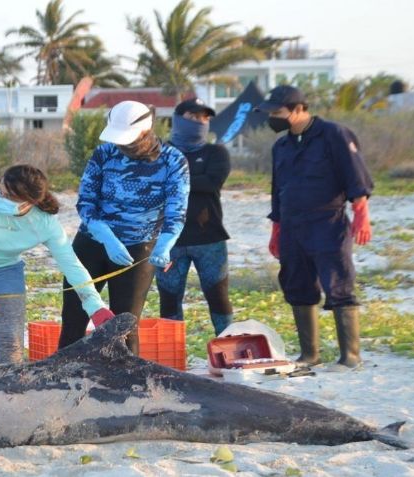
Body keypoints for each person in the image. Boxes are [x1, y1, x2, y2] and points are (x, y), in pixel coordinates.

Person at [0, 164, 114, 367]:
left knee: (11, 343)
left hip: (4, 272)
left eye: (9, 196)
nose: (0, 198)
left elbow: (71, 265)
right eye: (0, 190)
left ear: (30, 202)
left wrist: (95, 306)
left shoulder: (45, 223)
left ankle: (6, 395)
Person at [257, 85, 374, 371]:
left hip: (328, 221)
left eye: (278, 112)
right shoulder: (281, 146)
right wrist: (277, 230)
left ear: (298, 109)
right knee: (297, 284)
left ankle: (351, 356)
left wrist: (361, 214)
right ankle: (310, 355)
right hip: (292, 225)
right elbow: (278, 190)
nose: (273, 117)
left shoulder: (334, 134)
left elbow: (355, 174)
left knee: (338, 283)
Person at [59, 100, 190, 355]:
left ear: (145, 130)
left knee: (125, 322)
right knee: (74, 313)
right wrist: (105, 237)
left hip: (138, 248)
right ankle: (64, 373)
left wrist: (164, 244)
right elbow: (86, 202)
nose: (122, 145)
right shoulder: (103, 154)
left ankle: (125, 382)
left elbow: (177, 210)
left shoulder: (173, 161)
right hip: (92, 241)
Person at [156, 98, 233, 335]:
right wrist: (190, 180)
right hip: (169, 241)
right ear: (179, 119)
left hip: (209, 239)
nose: (200, 122)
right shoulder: (161, 152)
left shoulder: (216, 152)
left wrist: (173, 180)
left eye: (205, 118)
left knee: (218, 298)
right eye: (194, 116)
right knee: (169, 300)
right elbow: (155, 184)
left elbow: (212, 183)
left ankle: (228, 347)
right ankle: (172, 354)